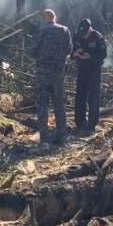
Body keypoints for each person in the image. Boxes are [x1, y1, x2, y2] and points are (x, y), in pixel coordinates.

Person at [31, 9, 72, 144]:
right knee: (59, 103)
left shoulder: (41, 32)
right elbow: (69, 49)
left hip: (42, 73)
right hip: (58, 73)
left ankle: (44, 136)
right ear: (55, 17)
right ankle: (62, 133)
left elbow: (33, 51)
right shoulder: (64, 30)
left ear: (44, 18)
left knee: (42, 104)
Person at [71, 18, 107, 134]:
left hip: (94, 70)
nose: (84, 36)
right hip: (82, 70)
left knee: (93, 97)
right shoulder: (77, 36)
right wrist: (75, 54)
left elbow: (103, 54)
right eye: (82, 33)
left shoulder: (97, 37)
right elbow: (70, 52)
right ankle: (80, 122)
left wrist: (90, 56)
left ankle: (92, 124)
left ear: (90, 29)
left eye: (86, 33)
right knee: (80, 95)